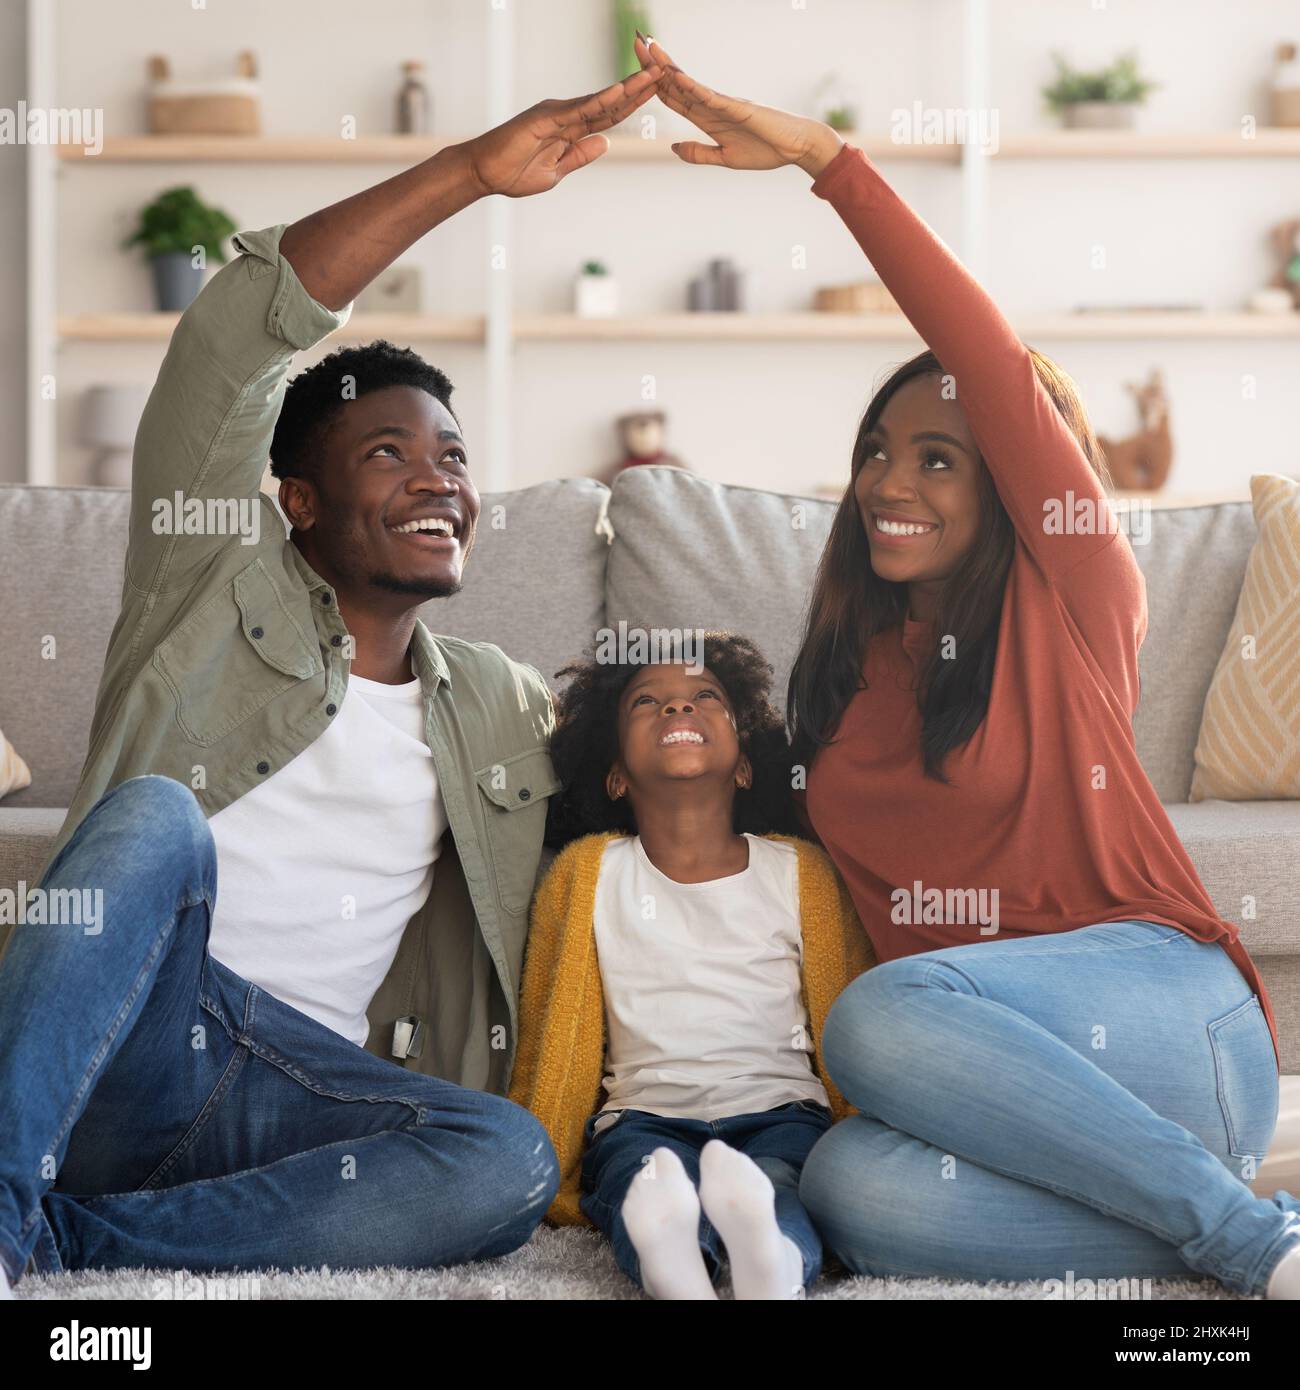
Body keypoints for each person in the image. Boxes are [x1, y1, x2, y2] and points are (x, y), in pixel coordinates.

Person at [633, 33, 1300, 1299]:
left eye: (939, 456)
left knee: (877, 1021)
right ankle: (1237, 1215)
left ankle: (1255, 1246)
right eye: (880, 449)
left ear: (1012, 479)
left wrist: (833, 165)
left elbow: (987, 364)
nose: (889, 479)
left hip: (1166, 1018)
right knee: (849, 1191)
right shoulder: (843, 669)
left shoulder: (1075, 594)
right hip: (1018, 1091)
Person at [0, 61, 669, 1296]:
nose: (440, 480)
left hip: (300, 1088)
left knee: (503, 1157)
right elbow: (233, 331)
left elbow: (665, 787)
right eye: (389, 451)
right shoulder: (207, 575)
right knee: (148, 819)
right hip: (130, 1034)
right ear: (294, 500)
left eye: (454, 457)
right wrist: (471, 171)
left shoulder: (503, 704)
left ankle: (75, 1251)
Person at [507, 634, 874, 1298]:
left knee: (784, 1185)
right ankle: (672, 1259)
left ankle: (774, 1260)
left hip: (783, 1112)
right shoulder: (587, 874)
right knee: (639, 1181)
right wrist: (544, 1156)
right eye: (649, 702)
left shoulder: (802, 872)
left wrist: (857, 1126)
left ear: (743, 763)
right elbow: (554, 1031)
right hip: (644, 1117)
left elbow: (849, 1016)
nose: (679, 709)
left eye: (706, 697)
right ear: (614, 772)